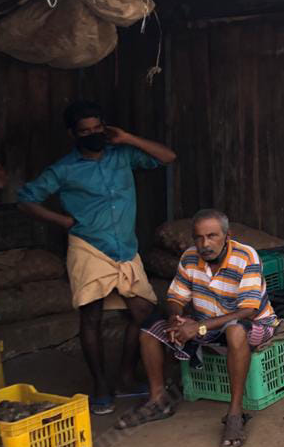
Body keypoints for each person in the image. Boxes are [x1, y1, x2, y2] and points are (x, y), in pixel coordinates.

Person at [17, 100, 176, 415]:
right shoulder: (63, 169)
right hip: (88, 246)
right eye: (84, 131)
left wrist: (128, 138)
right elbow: (25, 199)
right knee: (91, 317)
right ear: (72, 134)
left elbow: (167, 157)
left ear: (105, 127)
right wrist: (62, 222)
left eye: (96, 128)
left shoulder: (123, 155)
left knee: (143, 312)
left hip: (126, 248)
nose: (92, 134)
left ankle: (127, 377)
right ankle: (101, 385)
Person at [115, 209, 279, 447]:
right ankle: (159, 400)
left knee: (235, 330)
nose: (205, 244)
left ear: (227, 235)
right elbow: (176, 296)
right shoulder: (189, 257)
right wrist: (175, 318)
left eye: (212, 236)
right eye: (199, 237)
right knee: (149, 330)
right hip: (207, 324)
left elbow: (249, 311)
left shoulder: (246, 256)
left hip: (253, 324)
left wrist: (198, 327)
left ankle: (235, 414)